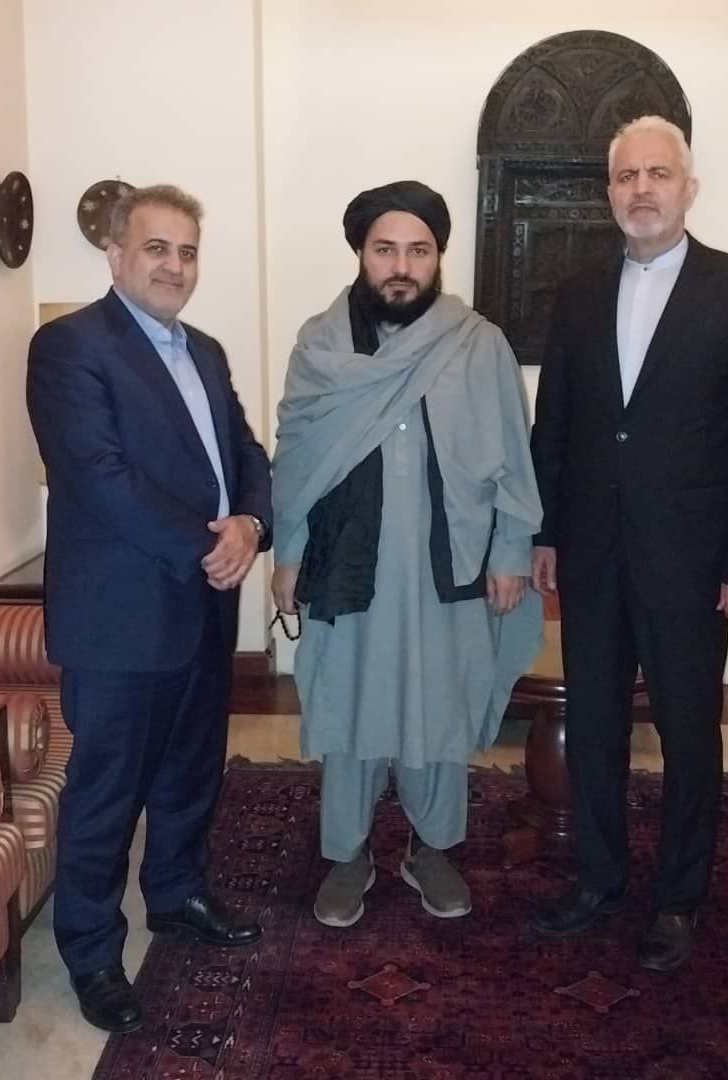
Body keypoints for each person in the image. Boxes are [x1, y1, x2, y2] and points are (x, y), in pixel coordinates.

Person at [529, 116, 728, 972]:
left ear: (689, 188)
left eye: (658, 174)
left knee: (687, 730)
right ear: (608, 192)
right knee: (594, 724)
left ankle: (679, 899)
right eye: (626, 176)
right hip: (592, 553)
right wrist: (545, 532)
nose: (641, 189)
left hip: (693, 561)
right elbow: (554, 425)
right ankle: (598, 879)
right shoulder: (576, 294)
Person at [27, 185, 273, 1032]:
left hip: (203, 608)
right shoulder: (69, 346)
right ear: (116, 254)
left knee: (190, 771)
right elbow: (97, 474)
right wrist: (209, 545)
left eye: (187, 251)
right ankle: (92, 954)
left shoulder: (204, 350)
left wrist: (253, 523)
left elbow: (244, 452)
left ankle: (176, 894)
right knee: (107, 791)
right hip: (120, 617)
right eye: (156, 248)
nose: (174, 266)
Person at [271, 180, 542, 929]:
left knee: (439, 703)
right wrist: (289, 553)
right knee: (349, 701)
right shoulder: (320, 346)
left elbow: (513, 455)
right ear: (361, 254)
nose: (401, 266)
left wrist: (511, 550)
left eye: (418, 250)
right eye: (385, 249)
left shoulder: (479, 344)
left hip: (447, 562)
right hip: (347, 560)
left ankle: (432, 847)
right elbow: (296, 458)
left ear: (438, 257)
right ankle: (347, 853)